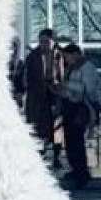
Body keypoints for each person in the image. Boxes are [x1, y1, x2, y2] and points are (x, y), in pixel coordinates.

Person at [51, 43, 101, 189]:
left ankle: (81, 173)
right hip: (71, 107)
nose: (66, 60)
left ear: (75, 54)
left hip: (82, 108)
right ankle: (76, 170)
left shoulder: (87, 68)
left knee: (76, 141)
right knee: (70, 140)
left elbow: (88, 89)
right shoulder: (72, 68)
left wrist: (67, 85)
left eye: (67, 56)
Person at [24, 28, 63, 168]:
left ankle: (56, 158)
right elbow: (27, 79)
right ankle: (40, 157)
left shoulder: (60, 56)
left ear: (53, 42)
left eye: (47, 42)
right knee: (38, 128)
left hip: (55, 96)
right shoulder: (32, 57)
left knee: (57, 129)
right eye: (41, 41)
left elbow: (62, 77)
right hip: (37, 98)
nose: (44, 44)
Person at [7, 36, 25, 109]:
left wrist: (19, 95)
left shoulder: (20, 64)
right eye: (10, 47)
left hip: (15, 97)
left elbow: (22, 82)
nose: (12, 50)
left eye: (14, 47)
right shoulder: (1, 63)